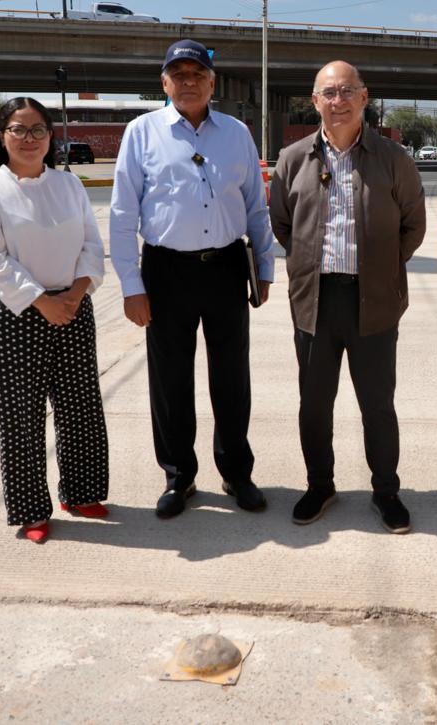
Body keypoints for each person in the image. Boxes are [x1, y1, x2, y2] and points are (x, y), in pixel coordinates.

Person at [110, 39, 276, 520]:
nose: (187, 82)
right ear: (163, 83)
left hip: (224, 267)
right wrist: (131, 285)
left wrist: (263, 266)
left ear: (212, 82)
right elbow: (122, 215)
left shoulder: (237, 133)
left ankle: (237, 472)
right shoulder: (141, 133)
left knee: (231, 378)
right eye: (177, 74)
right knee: (170, 382)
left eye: (196, 74)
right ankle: (179, 476)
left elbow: (255, 207)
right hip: (165, 272)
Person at [269, 61, 426, 534]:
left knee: (377, 404)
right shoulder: (293, 158)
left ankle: (386, 491)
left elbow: (413, 225)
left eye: (347, 91)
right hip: (316, 301)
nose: (337, 101)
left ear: (364, 97)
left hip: (374, 300)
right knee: (314, 404)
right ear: (314, 101)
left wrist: (380, 268)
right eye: (328, 93)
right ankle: (320, 485)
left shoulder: (392, 158)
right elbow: (282, 225)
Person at [0, 97, 110, 544]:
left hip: (73, 306)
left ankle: (81, 492)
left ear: (50, 136)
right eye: (18, 129)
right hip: (17, 314)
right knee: (21, 414)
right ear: (0, 135)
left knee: (80, 405)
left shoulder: (68, 185)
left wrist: (75, 293)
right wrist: (42, 302)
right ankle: (31, 510)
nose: (29, 139)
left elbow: (90, 242)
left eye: (38, 130)